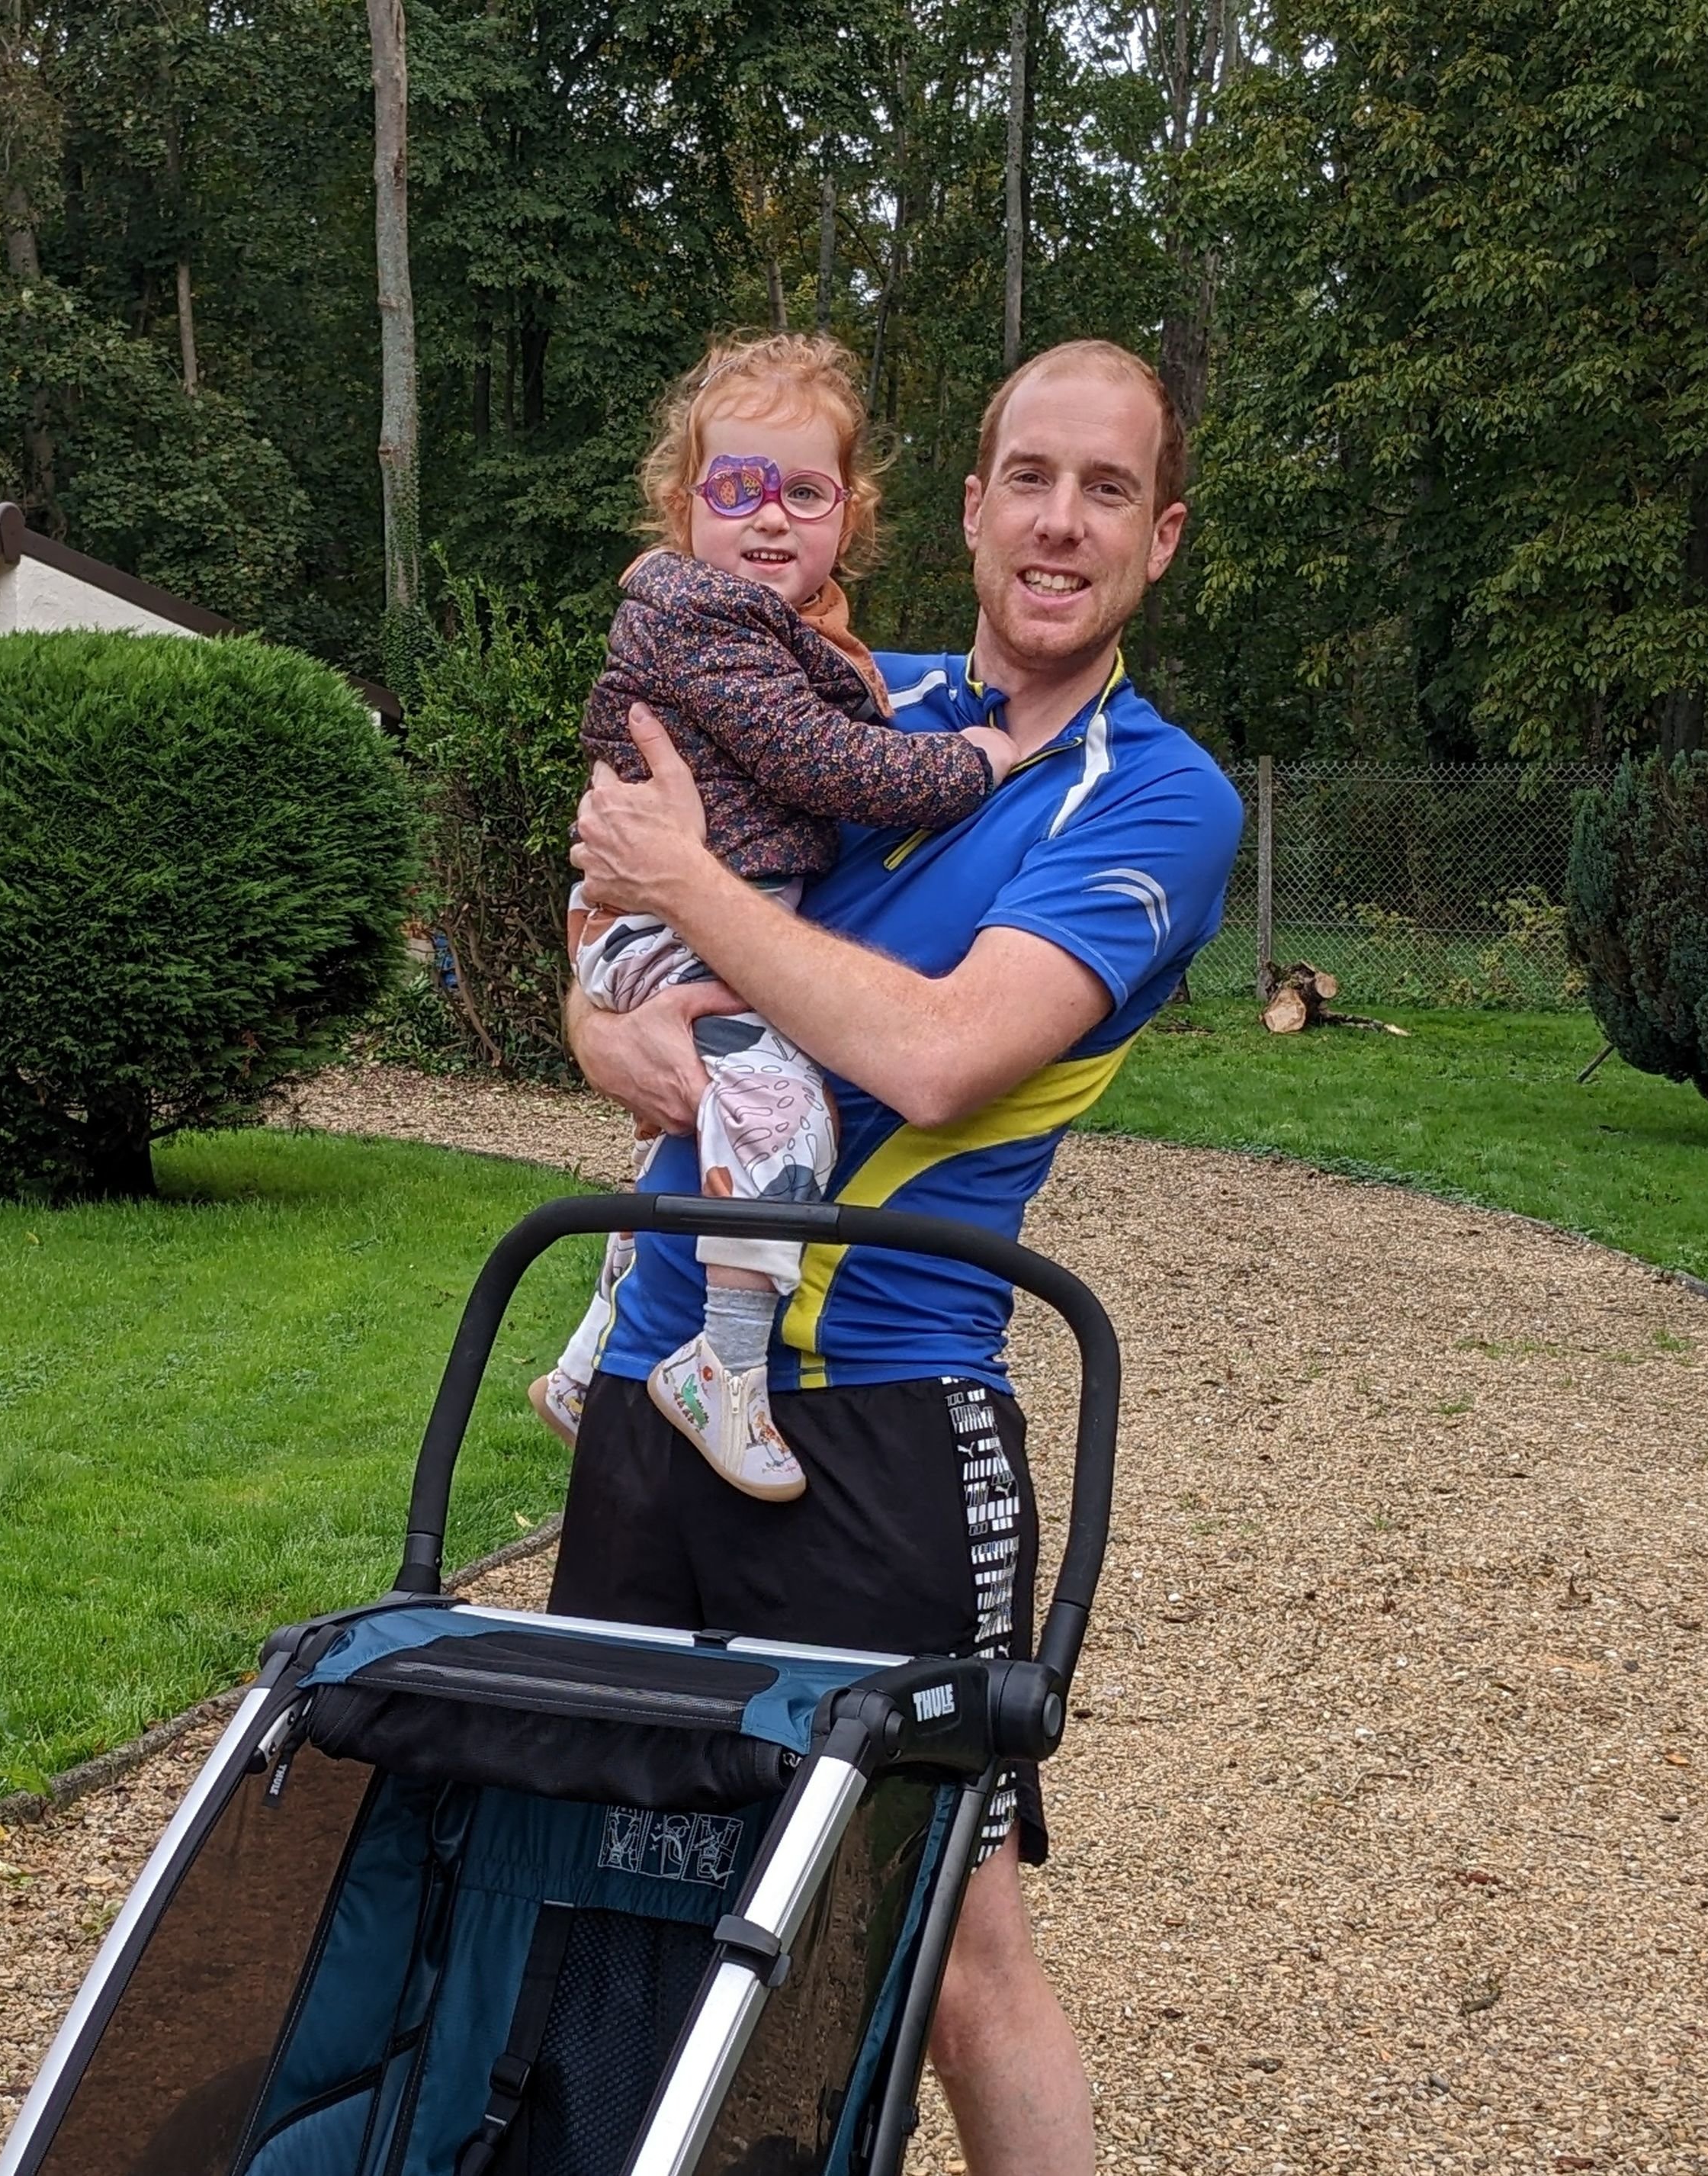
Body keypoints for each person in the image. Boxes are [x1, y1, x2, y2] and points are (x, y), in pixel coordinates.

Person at [558, 337, 1247, 2176]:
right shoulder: (847, 693)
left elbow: (938, 1049)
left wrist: (691, 906)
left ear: (1158, 537)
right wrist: (620, 975)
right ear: (963, 503)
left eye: (1106, 491)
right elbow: (607, 994)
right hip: (654, 1374)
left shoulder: (1154, 798)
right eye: (1029, 474)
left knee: (949, 1942)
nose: (1057, 520)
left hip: (876, 1410)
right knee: (610, 1884)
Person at [533, 332, 1017, 1500]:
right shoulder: (712, 626)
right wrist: (973, 760)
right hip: (672, 928)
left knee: (698, 1134)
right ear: (680, 505)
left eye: (800, 491)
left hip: (677, 918)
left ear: (848, 514)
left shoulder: (798, 637)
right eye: (734, 487)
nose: (766, 517)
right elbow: (836, 766)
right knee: (782, 1114)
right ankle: (725, 1367)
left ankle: (587, 1355)